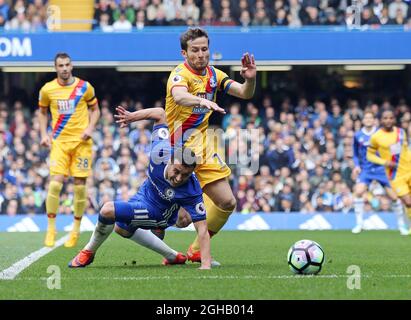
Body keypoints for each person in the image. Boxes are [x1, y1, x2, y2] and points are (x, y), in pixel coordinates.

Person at [69, 106, 212, 269]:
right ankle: (172, 256)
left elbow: (202, 229)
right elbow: (159, 113)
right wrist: (132, 117)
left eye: (185, 175)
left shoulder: (192, 189)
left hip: (159, 212)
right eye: (177, 171)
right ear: (170, 159)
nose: (179, 179)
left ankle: (88, 252)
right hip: (144, 193)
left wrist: (205, 265)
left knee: (107, 210)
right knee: (121, 229)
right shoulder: (160, 151)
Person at [165, 27, 256, 263]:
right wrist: (202, 102)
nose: (200, 54)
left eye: (204, 49)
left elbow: (245, 93)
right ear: (184, 53)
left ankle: (195, 251)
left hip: (202, 145)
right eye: (194, 50)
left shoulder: (215, 75)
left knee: (228, 202)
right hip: (176, 146)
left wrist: (250, 79)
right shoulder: (179, 75)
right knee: (179, 220)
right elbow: (179, 96)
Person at [38, 52, 101, 247]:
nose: (64, 68)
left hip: (81, 143)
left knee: (80, 186)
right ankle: (51, 229)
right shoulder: (47, 90)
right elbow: (42, 112)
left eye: (67, 65)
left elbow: (96, 110)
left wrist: (90, 128)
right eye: (60, 65)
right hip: (59, 142)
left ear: (71, 66)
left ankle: (75, 229)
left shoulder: (85, 87)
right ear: (55, 68)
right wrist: (43, 134)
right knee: (55, 184)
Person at [352, 111, 408, 235]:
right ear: (363, 120)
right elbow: (355, 153)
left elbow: (394, 150)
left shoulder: (381, 133)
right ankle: (359, 224)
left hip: (382, 169)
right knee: (358, 192)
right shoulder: (358, 135)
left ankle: (401, 226)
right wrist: (356, 166)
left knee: (394, 197)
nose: (368, 120)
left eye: (370, 117)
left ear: (374, 120)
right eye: (366, 117)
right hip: (366, 169)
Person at [367, 108, 411, 235]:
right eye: (385, 118)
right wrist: (385, 162)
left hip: (409, 169)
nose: (388, 120)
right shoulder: (376, 137)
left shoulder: (401, 132)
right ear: (381, 120)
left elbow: (405, 149)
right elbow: (370, 155)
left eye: (391, 118)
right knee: (408, 202)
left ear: (394, 119)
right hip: (395, 174)